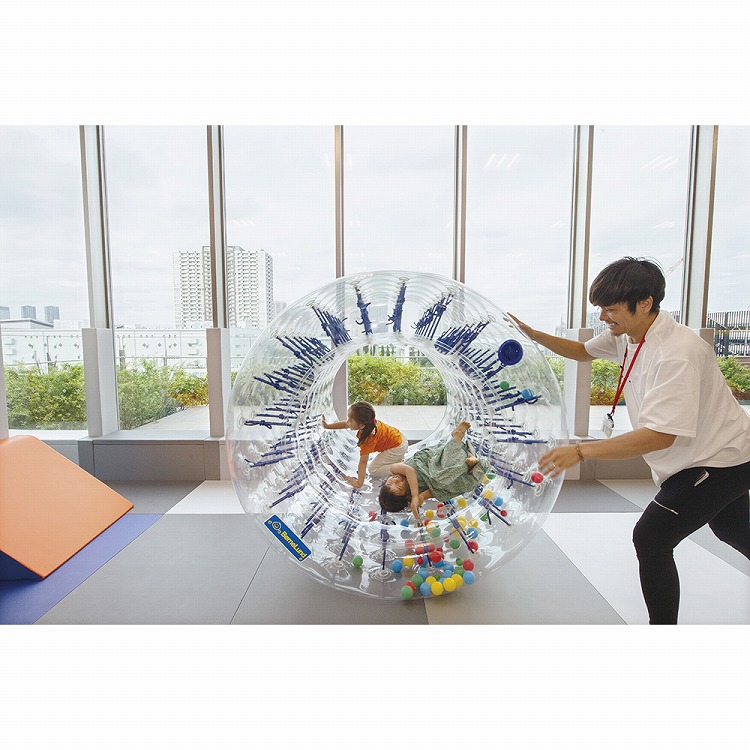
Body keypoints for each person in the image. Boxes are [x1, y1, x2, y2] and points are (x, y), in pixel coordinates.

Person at [509, 256, 750, 624]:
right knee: (733, 529)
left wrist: (580, 451)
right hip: (707, 456)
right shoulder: (628, 335)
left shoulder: (678, 353)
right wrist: (532, 333)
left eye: (611, 308)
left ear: (646, 303)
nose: (603, 317)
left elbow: (660, 436)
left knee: (651, 538)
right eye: (601, 308)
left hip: (720, 460)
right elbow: (581, 352)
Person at [378, 420, 489, 519]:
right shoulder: (412, 492)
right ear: (405, 495)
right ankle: (470, 463)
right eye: (398, 487)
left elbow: (409, 471)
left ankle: (457, 439)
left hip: (433, 460)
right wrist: (421, 497)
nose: (395, 480)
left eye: (389, 483)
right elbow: (434, 491)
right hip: (444, 473)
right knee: (444, 491)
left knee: (439, 477)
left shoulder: (395, 469)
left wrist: (415, 495)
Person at [322, 401, 408, 488]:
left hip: (397, 448)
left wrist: (359, 483)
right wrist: (327, 426)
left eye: (350, 420)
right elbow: (345, 424)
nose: (348, 422)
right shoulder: (369, 423)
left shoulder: (368, 438)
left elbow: (363, 462)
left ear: (362, 425)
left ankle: (402, 467)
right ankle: (398, 460)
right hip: (399, 438)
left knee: (373, 469)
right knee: (378, 463)